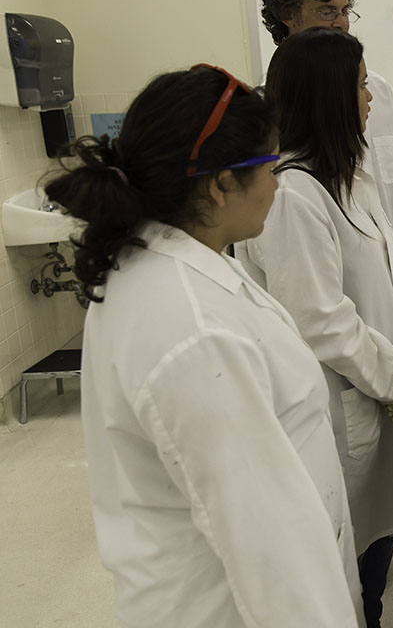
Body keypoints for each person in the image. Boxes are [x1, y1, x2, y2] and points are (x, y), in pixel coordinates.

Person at [44, 65, 364, 626]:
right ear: (220, 185)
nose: (278, 180)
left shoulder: (168, 260)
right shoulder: (195, 330)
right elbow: (265, 544)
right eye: (269, 164)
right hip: (231, 606)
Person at [236, 29, 393, 628]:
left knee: (381, 537)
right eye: (360, 84)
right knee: (346, 566)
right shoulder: (293, 192)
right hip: (337, 400)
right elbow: (318, 316)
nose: (371, 96)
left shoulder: (350, 175)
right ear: (328, 97)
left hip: (378, 388)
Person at [260, 0, 393, 347]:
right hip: (340, 293)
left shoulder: (376, 90)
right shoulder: (267, 109)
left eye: (346, 10)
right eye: (327, 10)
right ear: (288, 16)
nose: (342, 21)